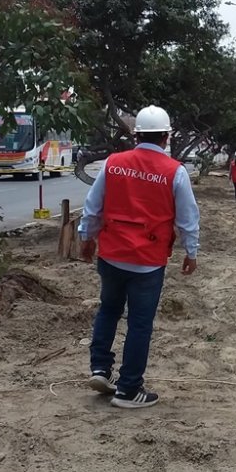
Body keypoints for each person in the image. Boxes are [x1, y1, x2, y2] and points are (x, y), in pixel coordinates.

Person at [78, 104, 200, 409]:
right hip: (148, 260)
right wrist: (191, 251)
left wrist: (86, 237)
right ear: (167, 137)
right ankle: (129, 389)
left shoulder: (113, 163)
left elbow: (93, 205)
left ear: (136, 135)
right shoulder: (175, 172)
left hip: (112, 253)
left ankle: (100, 369)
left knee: (108, 310)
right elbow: (187, 218)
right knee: (139, 324)